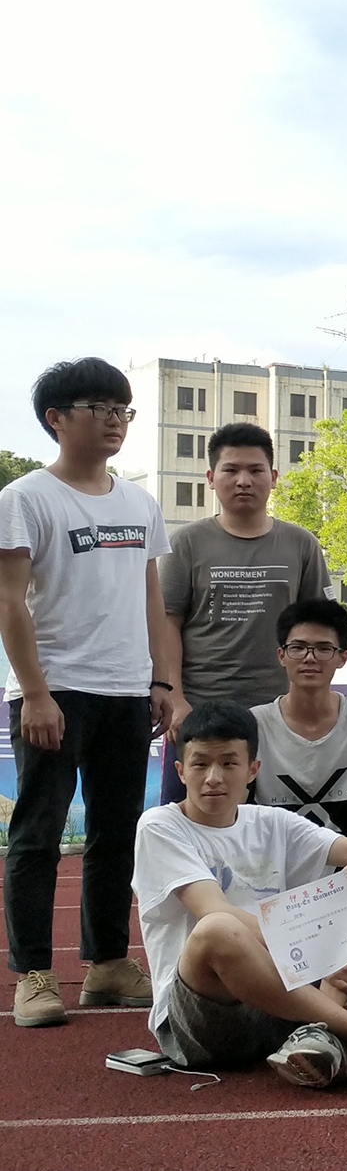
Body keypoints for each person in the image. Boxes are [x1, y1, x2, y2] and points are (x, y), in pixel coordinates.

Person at [134, 702, 347, 1086]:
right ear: (180, 771)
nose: (213, 778)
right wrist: (318, 958)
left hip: (282, 1007)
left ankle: (317, 1035)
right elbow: (210, 908)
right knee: (216, 928)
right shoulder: (160, 826)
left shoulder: (271, 822)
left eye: (228, 763)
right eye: (200, 764)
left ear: (253, 770)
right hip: (204, 1021)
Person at [3, 358, 176, 1027]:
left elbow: (151, 595)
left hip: (126, 691)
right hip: (55, 691)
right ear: (56, 418)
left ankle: (106, 964)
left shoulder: (139, 503)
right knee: (38, 834)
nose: (115, 421)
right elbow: (9, 600)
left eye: (122, 410)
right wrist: (35, 693)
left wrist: (160, 679)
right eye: (99, 407)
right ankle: (34, 974)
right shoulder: (25, 498)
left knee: (115, 832)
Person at [158, 422, 333, 804]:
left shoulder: (301, 544)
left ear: (273, 477)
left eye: (255, 470)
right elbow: (167, 622)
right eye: (231, 470)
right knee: (192, 820)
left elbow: (321, 627)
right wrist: (176, 699)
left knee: (275, 824)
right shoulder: (185, 543)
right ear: (211, 478)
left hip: (279, 712)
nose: (243, 481)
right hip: (201, 711)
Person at [249, 600, 347, 852]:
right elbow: (234, 810)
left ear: (342, 657)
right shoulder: (256, 724)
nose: (310, 658)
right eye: (298, 647)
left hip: (345, 868)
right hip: (273, 867)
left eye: (324, 648)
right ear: (281, 656)